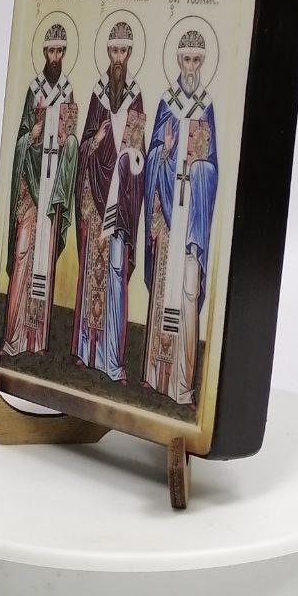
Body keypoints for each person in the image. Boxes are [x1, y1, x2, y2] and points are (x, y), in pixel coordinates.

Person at [142, 29, 218, 404]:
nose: (191, 67)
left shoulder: (206, 107)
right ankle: (156, 376)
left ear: (202, 63)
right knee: (162, 292)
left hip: (191, 225)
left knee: (187, 294)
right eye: (186, 59)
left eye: (196, 60)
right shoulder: (166, 103)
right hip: (169, 221)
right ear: (178, 61)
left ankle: (183, 385)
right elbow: (152, 156)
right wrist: (166, 151)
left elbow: (213, 168)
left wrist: (199, 166)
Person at [72, 21, 145, 383]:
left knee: (115, 276)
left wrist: (134, 154)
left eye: (123, 51)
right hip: (94, 201)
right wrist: (96, 141)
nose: (118, 58)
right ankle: (87, 351)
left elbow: (140, 157)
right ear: (108, 53)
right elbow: (85, 144)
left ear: (129, 54)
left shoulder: (136, 97)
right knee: (91, 276)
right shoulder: (98, 94)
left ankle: (111, 361)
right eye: (114, 51)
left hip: (118, 204)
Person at [1, 23, 78, 356]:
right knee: (22, 253)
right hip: (30, 188)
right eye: (51, 51)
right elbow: (19, 141)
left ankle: (36, 340)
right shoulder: (33, 90)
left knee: (44, 260)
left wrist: (66, 142)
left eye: (60, 51)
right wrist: (31, 136)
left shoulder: (69, 91)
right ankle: (13, 336)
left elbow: (72, 143)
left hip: (51, 192)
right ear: (44, 53)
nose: (55, 57)